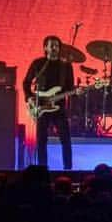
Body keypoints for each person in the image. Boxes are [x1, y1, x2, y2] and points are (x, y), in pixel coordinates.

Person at [23, 35, 75, 170]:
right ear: (45, 47)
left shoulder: (66, 66)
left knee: (66, 140)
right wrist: (29, 98)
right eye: (51, 45)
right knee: (41, 141)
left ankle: (68, 169)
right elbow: (26, 82)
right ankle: (42, 170)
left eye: (57, 45)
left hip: (59, 108)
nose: (54, 48)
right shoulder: (38, 64)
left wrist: (76, 92)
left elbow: (70, 88)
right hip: (41, 107)